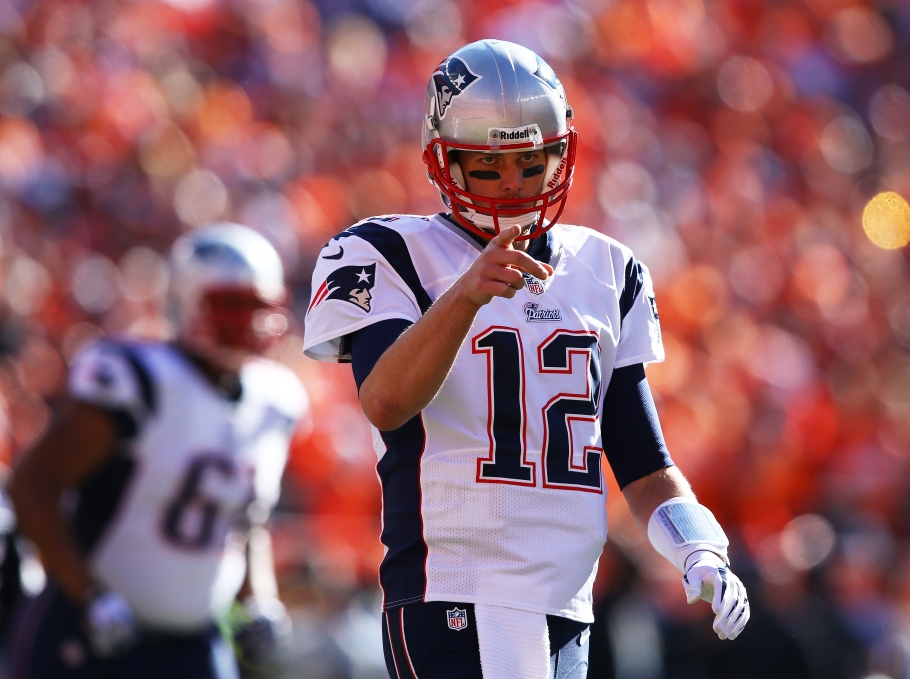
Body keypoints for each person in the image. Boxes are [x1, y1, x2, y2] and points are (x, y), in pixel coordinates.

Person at [303, 39, 749, 678]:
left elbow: (645, 467)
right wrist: (466, 296)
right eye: (487, 165)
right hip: (453, 588)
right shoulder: (386, 253)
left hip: (567, 604)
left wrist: (697, 546)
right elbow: (385, 401)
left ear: (561, 154)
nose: (513, 183)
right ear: (444, 161)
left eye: (531, 161)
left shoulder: (607, 270)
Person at [8, 224, 308, 678]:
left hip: (193, 643)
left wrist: (259, 599)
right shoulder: (139, 379)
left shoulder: (277, 399)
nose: (249, 322)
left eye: (259, 307)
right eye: (232, 305)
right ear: (186, 302)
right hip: (88, 632)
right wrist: (90, 596)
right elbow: (32, 486)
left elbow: (248, 523)